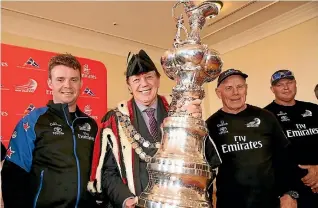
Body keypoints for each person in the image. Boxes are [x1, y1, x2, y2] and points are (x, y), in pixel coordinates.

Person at [87, 49, 205, 208]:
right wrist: (125, 199)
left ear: (158, 80)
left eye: (149, 77)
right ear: (129, 85)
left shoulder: (180, 112)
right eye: (136, 80)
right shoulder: (114, 120)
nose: (144, 84)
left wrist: (194, 124)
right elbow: (108, 172)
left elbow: (201, 159)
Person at [1, 54, 99, 208]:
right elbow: (13, 176)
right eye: (60, 79)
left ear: (81, 83)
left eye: (73, 79)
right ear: (49, 83)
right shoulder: (33, 121)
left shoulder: (90, 125)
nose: (67, 85)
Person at [205, 68, 297, 208]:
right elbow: (207, 170)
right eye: (229, 88)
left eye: (240, 87)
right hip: (230, 203)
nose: (235, 93)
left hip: (269, 201)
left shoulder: (266, 117)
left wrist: (290, 192)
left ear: (246, 89)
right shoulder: (210, 125)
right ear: (219, 93)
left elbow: (285, 157)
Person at [264, 69, 318, 208]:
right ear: (272, 89)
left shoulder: (314, 110)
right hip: (291, 193)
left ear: (295, 84)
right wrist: (284, 192)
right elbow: (267, 159)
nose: (286, 87)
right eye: (280, 84)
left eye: (289, 82)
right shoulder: (265, 116)